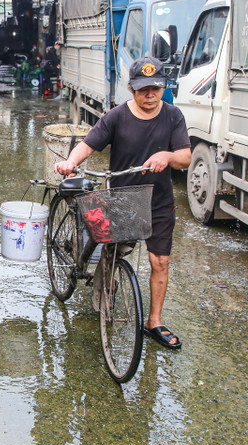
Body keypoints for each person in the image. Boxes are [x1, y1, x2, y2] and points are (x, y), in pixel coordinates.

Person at [54, 56, 191, 349]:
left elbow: (185, 156)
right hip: (123, 200)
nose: (150, 95)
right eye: (144, 89)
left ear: (163, 86)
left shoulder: (173, 116)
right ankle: (107, 285)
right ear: (131, 89)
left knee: (161, 260)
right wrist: (70, 162)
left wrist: (166, 156)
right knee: (114, 252)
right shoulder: (117, 116)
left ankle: (154, 321)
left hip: (159, 202)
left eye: (156, 88)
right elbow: (88, 144)